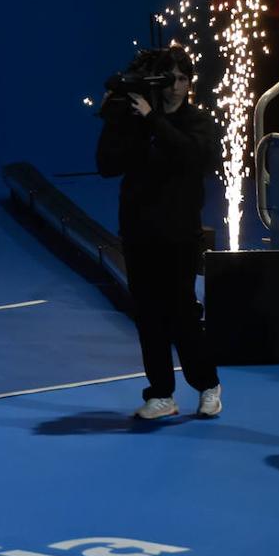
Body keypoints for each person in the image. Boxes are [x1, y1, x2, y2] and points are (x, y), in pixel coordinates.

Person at [96, 45, 222, 420]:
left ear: (190, 83)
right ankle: (162, 394)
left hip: (179, 231)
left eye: (182, 79)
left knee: (181, 312)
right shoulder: (135, 120)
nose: (174, 87)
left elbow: (191, 157)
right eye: (168, 79)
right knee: (148, 314)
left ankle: (208, 384)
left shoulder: (197, 122)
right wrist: (115, 120)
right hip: (138, 230)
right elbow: (106, 165)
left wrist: (153, 121)